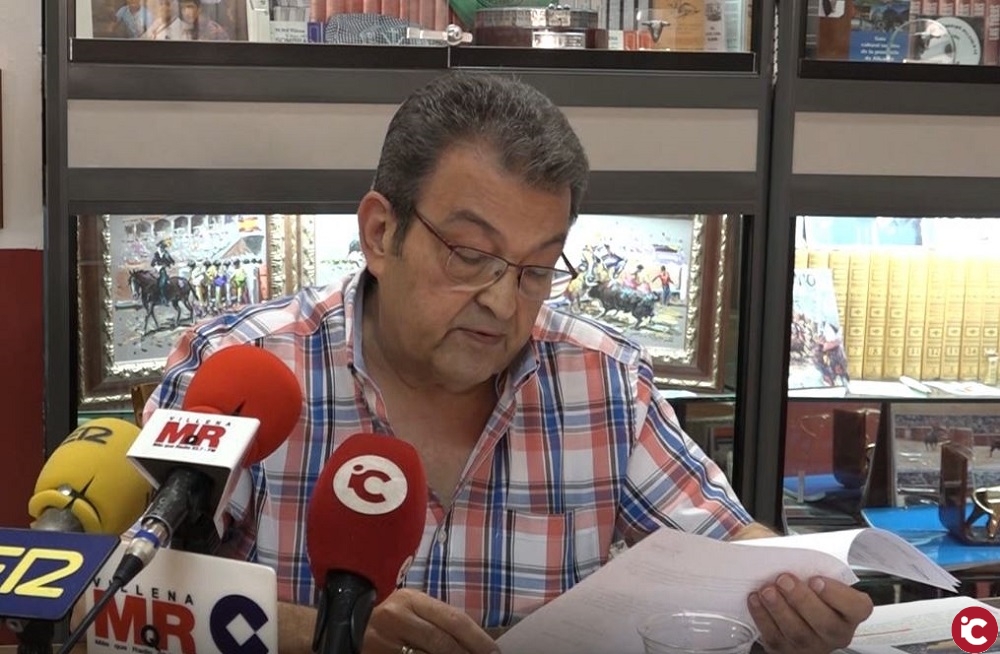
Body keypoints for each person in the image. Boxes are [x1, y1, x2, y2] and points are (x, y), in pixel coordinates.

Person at [145, 73, 873, 654]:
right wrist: (335, 633)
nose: (501, 301)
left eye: (537, 269)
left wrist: (796, 594)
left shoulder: (602, 380)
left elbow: (729, 543)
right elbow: (125, 590)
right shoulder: (240, 369)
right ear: (380, 232)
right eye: (470, 255)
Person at [150, 238, 174, 305]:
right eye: (160, 247)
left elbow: (172, 261)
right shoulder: (156, 254)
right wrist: (158, 265)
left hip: (165, 270)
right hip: (158, 270)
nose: (161, 248)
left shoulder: (166, 253)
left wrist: (168, 263)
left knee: (163, 283)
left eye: (162, 247)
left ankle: (164, 298)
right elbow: (152, 264)